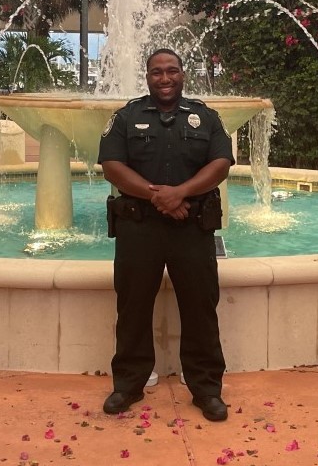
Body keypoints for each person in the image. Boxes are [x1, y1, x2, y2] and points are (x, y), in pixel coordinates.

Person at [98, 48, 234, 422]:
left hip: (191, 226)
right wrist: (160, 196)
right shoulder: (126, 117)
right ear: (148, 77)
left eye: (171, 71)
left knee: (201, 308)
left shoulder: (205, 117)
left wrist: (182, 193)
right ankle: (127, 386)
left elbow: (221, 163)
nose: (165, 78)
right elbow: (112, 166)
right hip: (139, 227)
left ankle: (207, 390)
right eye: (157, 72)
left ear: (182, 74)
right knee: (133, 307)